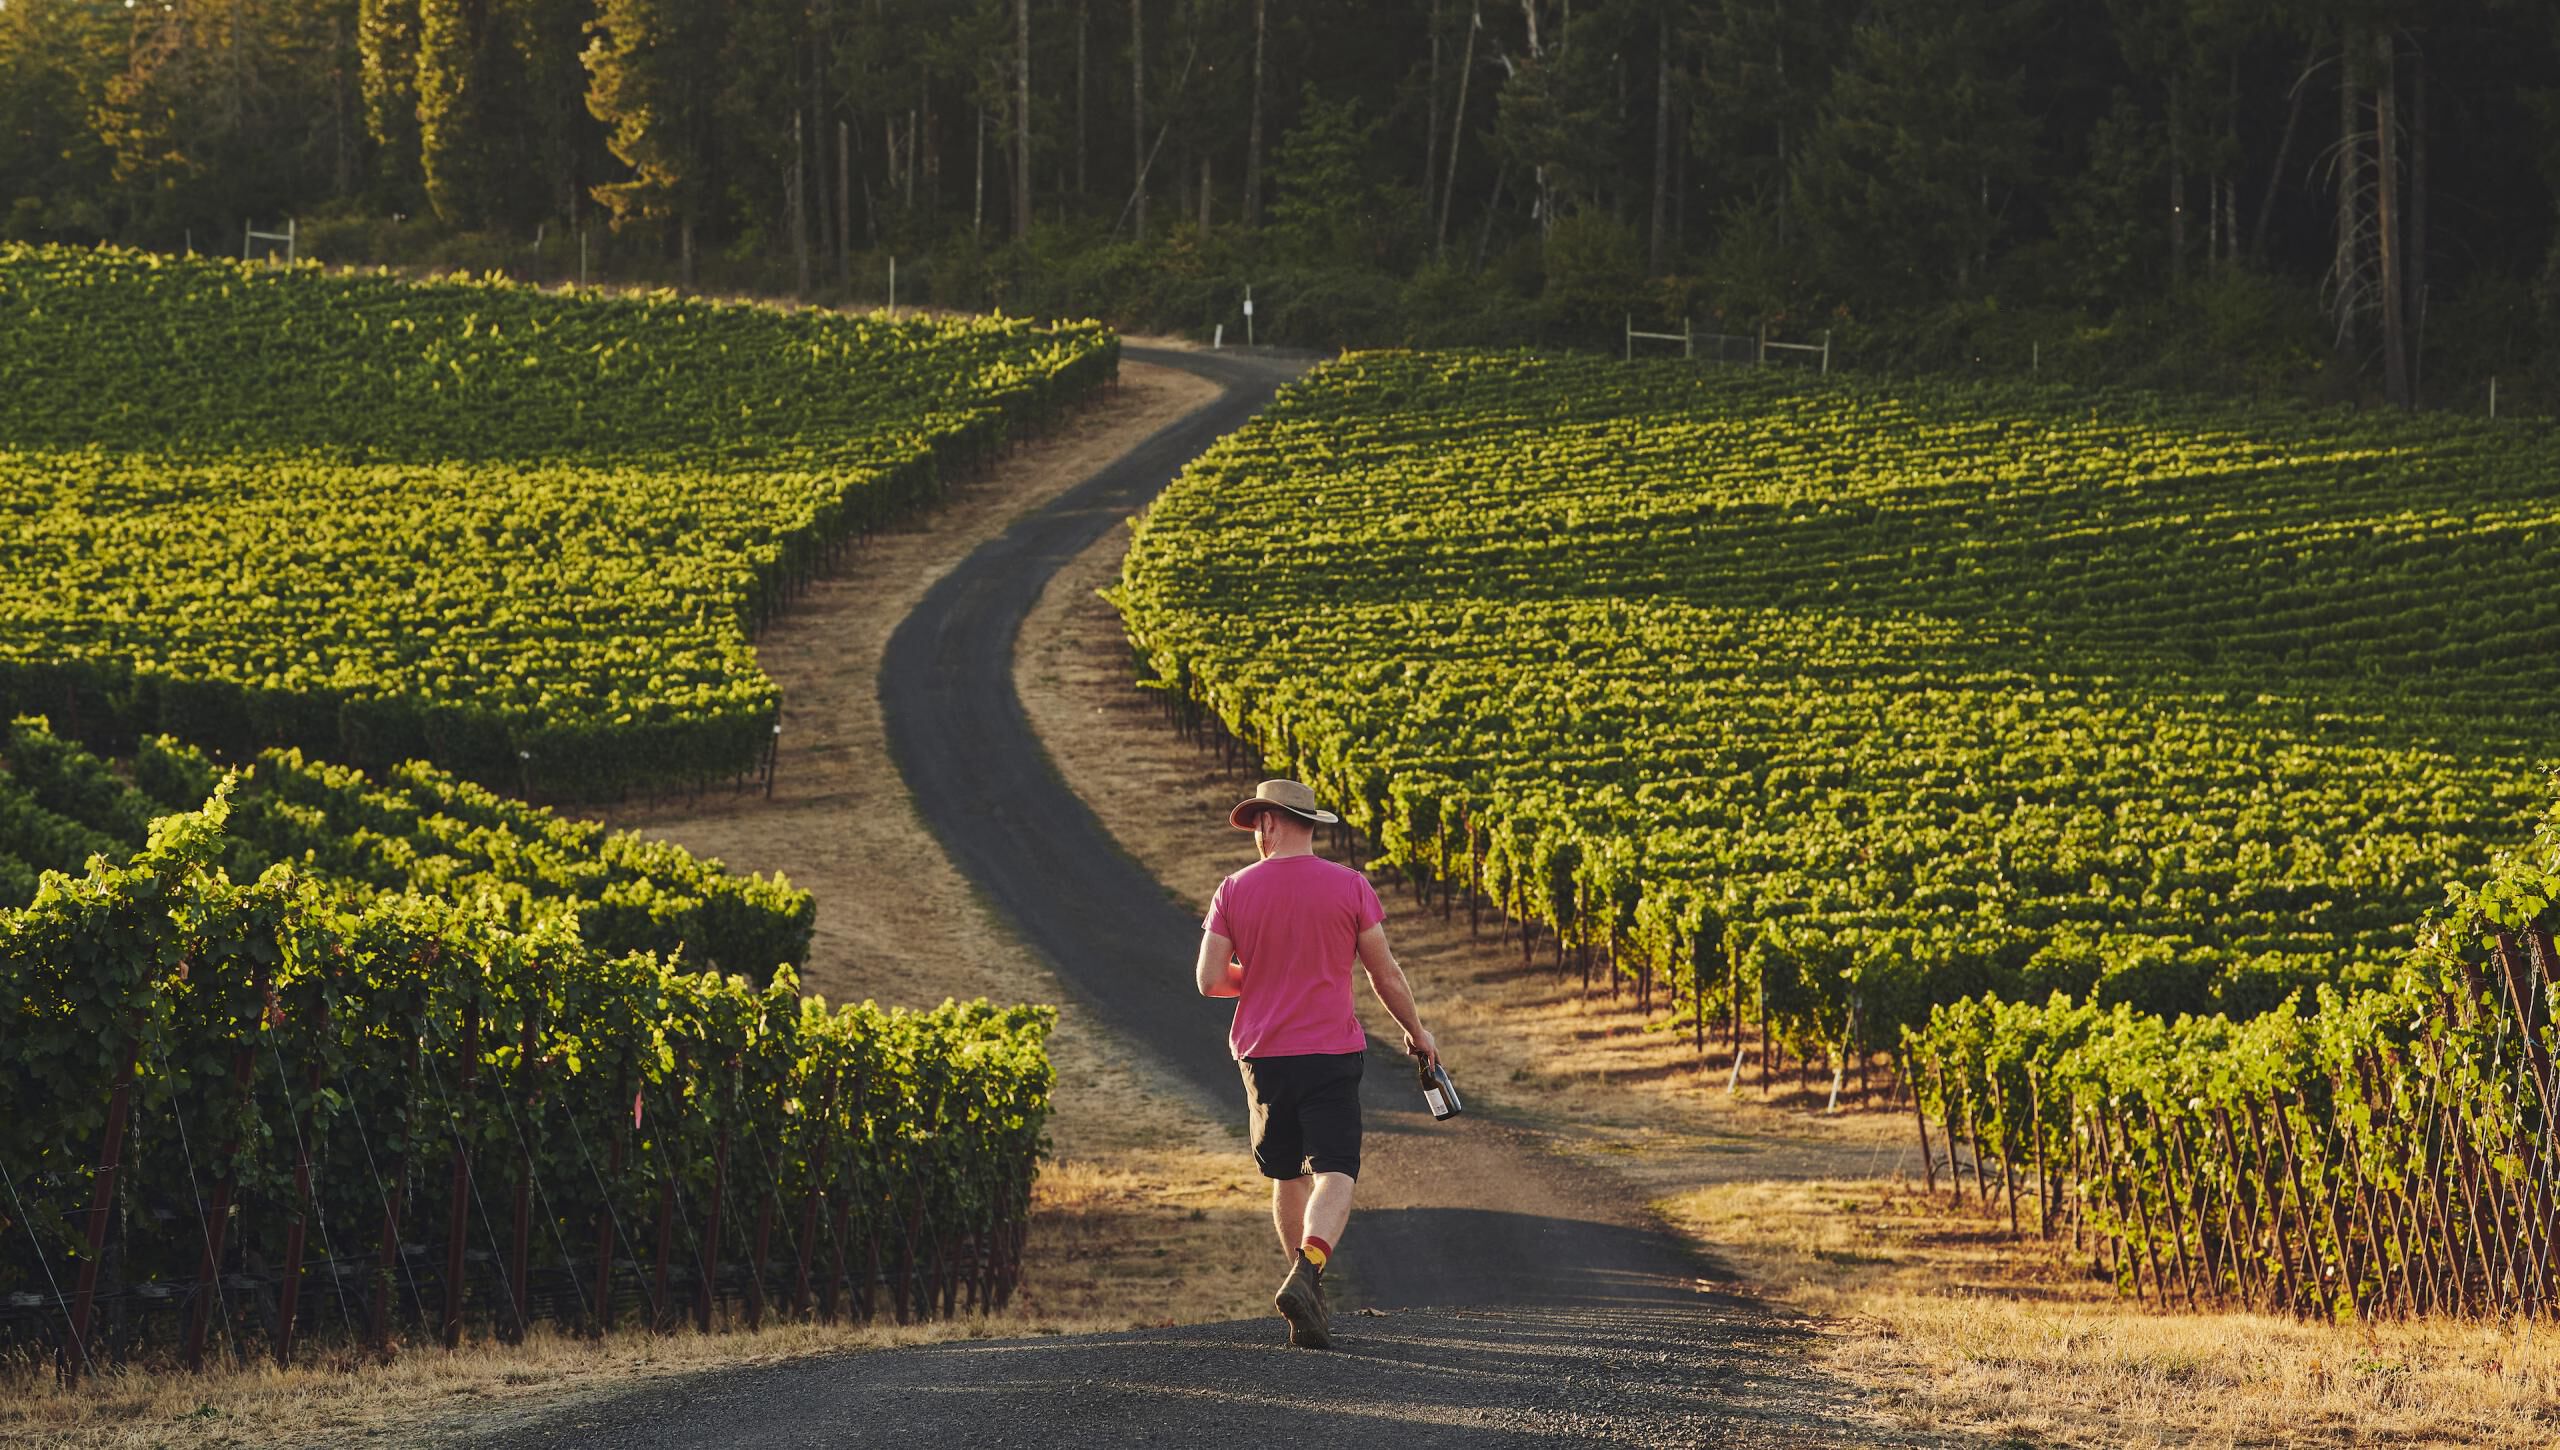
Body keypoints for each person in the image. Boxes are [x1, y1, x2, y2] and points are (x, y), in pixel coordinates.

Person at [1193, 778, 1439, 1350]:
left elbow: (1208, 981)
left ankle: (1309, 1294)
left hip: (1263, 1056)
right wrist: (1417, 1034)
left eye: (1258, 824)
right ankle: (1307, 1272)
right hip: (1330, 1051)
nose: (1257, 833)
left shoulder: (1233, 889)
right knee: (1336, 1170)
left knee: (1287, 1175)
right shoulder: (1350, 886)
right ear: (1308, 824)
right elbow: (1386, 975)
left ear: (1270, 824)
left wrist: (1258, 978)